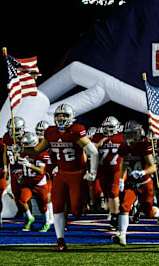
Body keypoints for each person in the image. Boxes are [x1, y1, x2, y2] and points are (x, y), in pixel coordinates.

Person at [23, 103, 99, 251]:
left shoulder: (76, 131)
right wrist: (23, 149)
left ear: (71, 117)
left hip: (77, 174)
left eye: (64, 116)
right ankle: (60, 242)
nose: (61, 118)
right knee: (57, 207)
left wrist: (93, 172)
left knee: (77, 211)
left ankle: (83, 203)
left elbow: (93, 152)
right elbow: (37, 150)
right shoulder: (51, 132)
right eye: (58, 116)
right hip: (61, 173)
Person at [113, 120, 159, 246]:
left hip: (145, 183)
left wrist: (142, 173)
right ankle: (122, 234)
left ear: (138, 133)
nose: (128, 137)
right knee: (124, 206)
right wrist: (121, 179)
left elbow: (153, 167)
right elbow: (123, 164)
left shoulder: (144, 146)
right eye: (126, 134)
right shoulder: (123, 148)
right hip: (131, 183)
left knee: (148, 213)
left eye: (131, 134)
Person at [91, 116, 125, 231]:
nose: (108, 130)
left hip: (116, 170)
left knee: (113, 192)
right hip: (102, 170)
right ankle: (114, 213)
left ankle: (114, 220)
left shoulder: (121, 137)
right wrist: (98, 144)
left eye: (111, 128)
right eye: (106, 128)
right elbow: (88, 152)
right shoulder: (97, 137)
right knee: (106, 194)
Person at [16, 132, 51, 231]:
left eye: (26, 144)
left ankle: (46, 222)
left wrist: (29, 165)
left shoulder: (41, 153)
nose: (24, 146)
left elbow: (40, 171)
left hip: (39, 183)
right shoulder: (23, 152)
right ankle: (30, 217)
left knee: (42, 206)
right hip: (27, 182)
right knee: (21, 200)